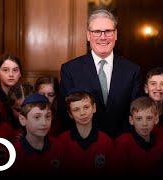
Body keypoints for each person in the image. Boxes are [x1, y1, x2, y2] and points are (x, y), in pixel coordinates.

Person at [59, 9, 142, 137]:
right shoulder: (70, 70)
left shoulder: (132, 70)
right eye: (97, 32)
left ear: (115, 35)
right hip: (83, 146)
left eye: (108, 31)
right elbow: (65, 114)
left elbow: (135, 113)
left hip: (121, 145)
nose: (103, 37)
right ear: (88, 35)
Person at [58, 89, 113, 176]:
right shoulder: (61, 142)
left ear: (94, 108)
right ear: (70, 114)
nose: (82, 113)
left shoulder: (106, 141)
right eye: (76, 109)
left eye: (86, 107)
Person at [12, 93, 65, 176]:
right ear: (23, 120)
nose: (44, 123)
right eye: (37, 117)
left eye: (47, 116)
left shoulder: (59, 146)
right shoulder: (14, 152)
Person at [113, 96, 163, 176]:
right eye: (139, 119)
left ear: (156, 119)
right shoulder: (122, 142)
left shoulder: (161, 146)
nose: (144, 124)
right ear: (131, 120)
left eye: (149, 118)